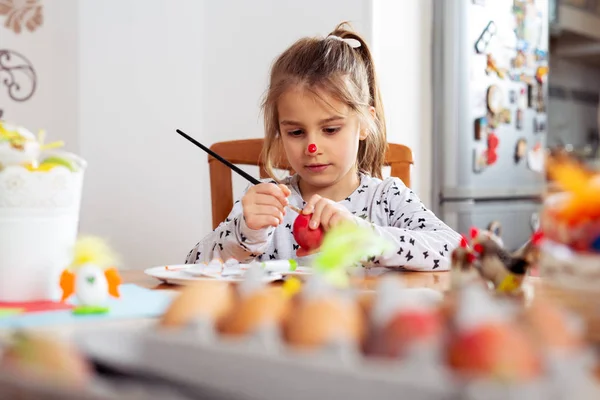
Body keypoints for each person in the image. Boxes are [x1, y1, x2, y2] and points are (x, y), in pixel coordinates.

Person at [185, 22, 461, 272]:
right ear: (279, 131)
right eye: (296, 132)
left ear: (365, 123)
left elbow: (458, 251)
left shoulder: (388, 199)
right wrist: (244, 233)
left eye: (330, 129)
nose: (312, 147)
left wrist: (367, 237)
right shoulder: (268, 203)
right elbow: (191, 266)